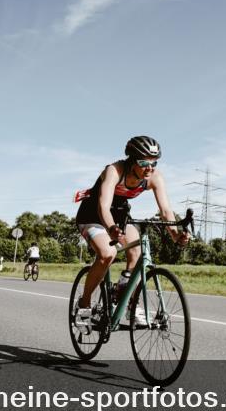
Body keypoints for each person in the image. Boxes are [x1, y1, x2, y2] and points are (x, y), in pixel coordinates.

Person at [73, 135, 188, 331]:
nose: (149, 168)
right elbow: (103, 206)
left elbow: (166, 212)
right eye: (144, 163)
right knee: (107, 254)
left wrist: (176, 235)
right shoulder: (115, 170)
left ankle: (125, 301)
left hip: (120, 217)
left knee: (138, 254)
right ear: (132, 160)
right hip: (93, 215)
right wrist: (110, 229)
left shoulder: (154, 177)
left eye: (154, 163)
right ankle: (83, 305)